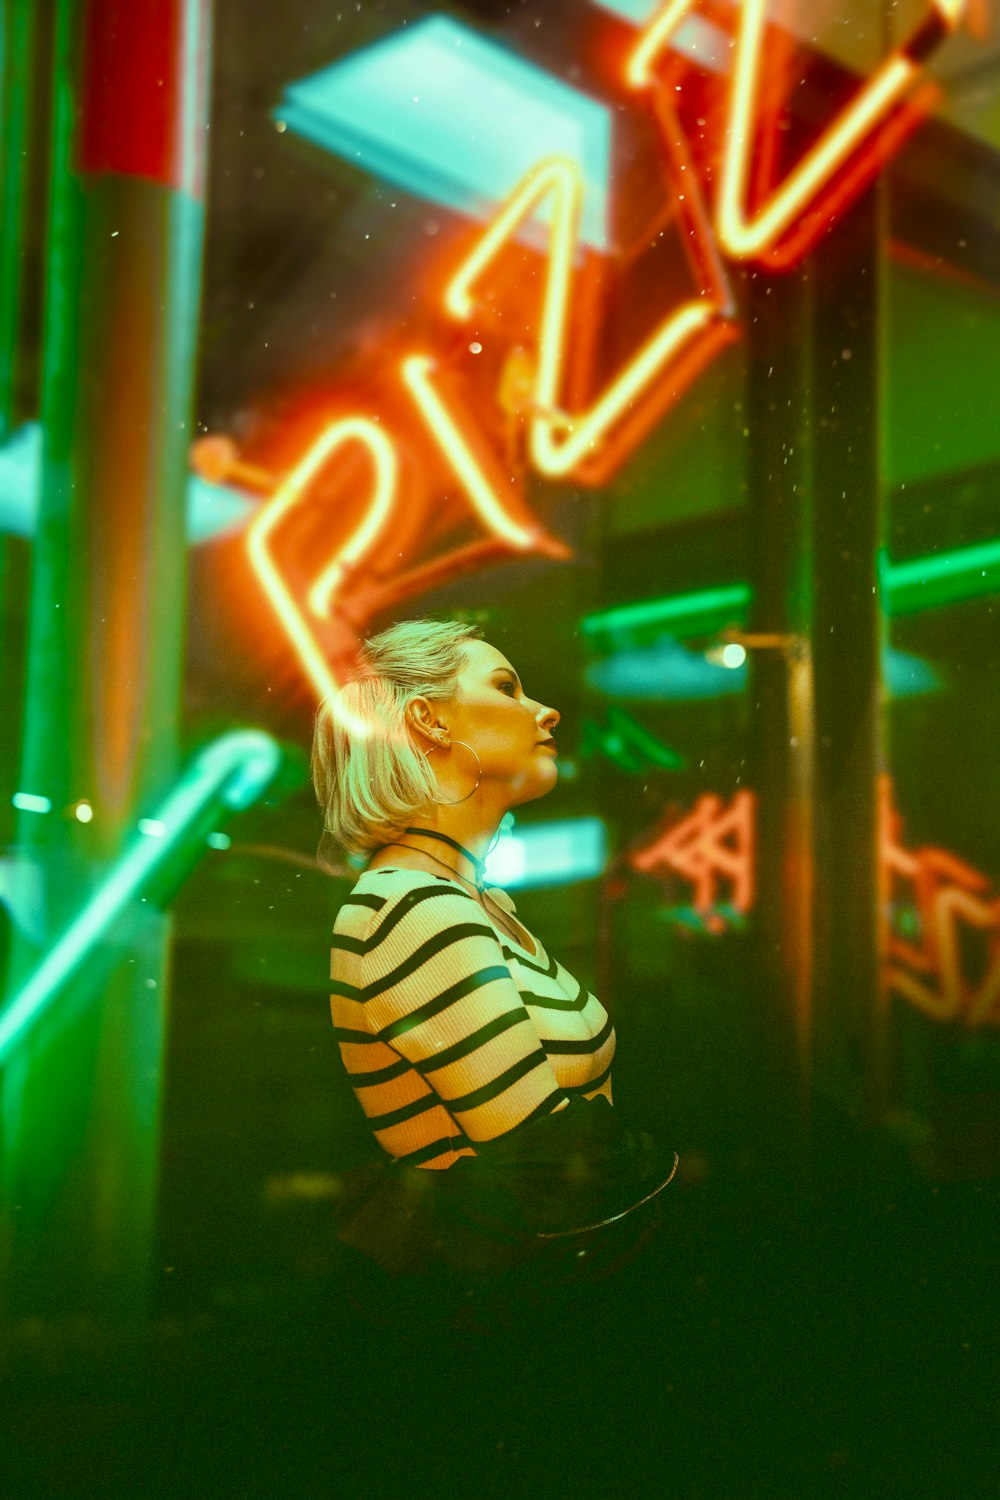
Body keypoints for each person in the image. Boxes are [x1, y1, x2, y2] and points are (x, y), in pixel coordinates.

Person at [312, 616, 677, 1317]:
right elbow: (554, 1167)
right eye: (507, 687)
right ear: (429, 722)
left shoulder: (461, 900)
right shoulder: (411, 904)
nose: (547, 710)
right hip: (511, 1332)